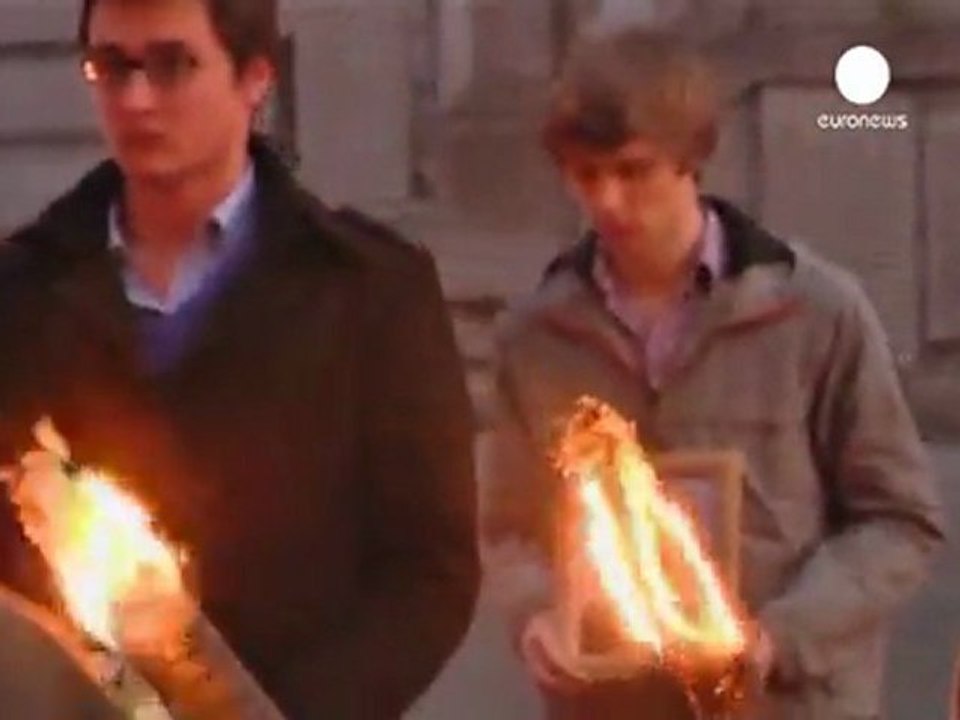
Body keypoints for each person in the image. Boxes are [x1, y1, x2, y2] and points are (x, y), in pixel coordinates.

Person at [0, 0, 480, 717]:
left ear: (255, 76)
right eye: (112, 67)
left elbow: (428, 571)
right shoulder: (26, 287)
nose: (135, 99)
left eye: (172, 65)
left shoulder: (367, 290)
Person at [479, 26, 945, 720]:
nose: (607, 201)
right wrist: (536, 614)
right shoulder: (538, 335)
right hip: (615, 704)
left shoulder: (813, 312)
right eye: (585, 175)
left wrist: (781, 634)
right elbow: (507, 527)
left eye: (633, 171)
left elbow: (899, 521)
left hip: (786, 701)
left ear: (692, 158)